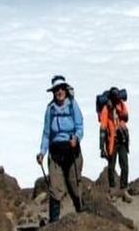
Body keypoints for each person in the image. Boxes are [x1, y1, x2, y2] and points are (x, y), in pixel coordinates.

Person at [37, 75, 85, 223]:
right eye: (56, 89)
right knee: (55, 190)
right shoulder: (50, 109)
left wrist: (76, 138)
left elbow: (80, 126)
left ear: (65, 89)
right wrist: (42, 152)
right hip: (56, 153)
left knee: (74, 187)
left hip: (72, 151)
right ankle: (54, 223)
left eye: (61, 89)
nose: (59, 92)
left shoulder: (72, 105)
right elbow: (46, 133)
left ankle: (82, 217)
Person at [99, 87, 132, 202]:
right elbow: (103, 128)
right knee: (111, 167)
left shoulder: (120, 104)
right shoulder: (105, 109)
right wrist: (102, 147)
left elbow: (126, 116)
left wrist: (121, 118)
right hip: (111, 141)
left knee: (125, 165)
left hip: (121, 139)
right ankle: (112, 190)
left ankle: (124, 189)